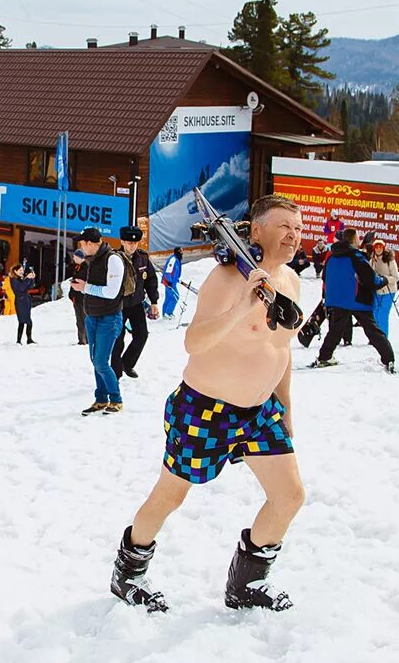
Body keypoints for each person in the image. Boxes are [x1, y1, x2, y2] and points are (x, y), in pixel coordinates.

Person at [109, 195, 306, 614]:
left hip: (260, 413)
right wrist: (242, 307)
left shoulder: (290, 282)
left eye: (299, 227)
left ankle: (247, 584)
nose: (294, 234)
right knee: (170, 497)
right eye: (284, 225)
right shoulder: (225, 279)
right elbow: (192, 342)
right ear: (255, 231)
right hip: (205, 409)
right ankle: (128, 574)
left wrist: (285, 408)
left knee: (289, 497)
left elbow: (281, 351)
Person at [312, 228, 395, 373]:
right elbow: (371, 279)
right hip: (356, 298)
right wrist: (384, 280)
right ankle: (389, 359)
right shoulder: (356, 256)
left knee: (335, 330)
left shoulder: (332, 256)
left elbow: (325, 277)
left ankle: (324, 357)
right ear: (355, 239)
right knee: (372, 330)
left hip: (336, 299)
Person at [71, 227, 126, 412]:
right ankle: (101, 399)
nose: (80, 247)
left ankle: (116, 399)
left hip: (109, 318)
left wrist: (85, 288)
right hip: (92, 317)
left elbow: (111, 292)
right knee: (96, 360)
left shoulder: (113, 259)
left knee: (101, 362)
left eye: (82, 243)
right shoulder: (92, 260)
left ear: (89, 243)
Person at [109, 226, 160, 379]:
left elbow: (151, 280)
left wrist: (154, 301)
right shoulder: (114, 259)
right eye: (129, 243)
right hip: (118, 306)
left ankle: (127, 363)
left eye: (136, 243)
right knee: (117, 341)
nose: (133, 246)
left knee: (142, 335)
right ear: (122, 241)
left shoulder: (143, 258)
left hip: (136, 303)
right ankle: (115, 374)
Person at [366, 234, 399, 337]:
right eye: (377, 247)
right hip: (377, 291)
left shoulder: (390, 260)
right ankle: (376, 337)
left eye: (380, 247)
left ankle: (384, 337)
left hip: (389, 290)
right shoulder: (372, 260)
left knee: (383, 315)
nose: (378, 249)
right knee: (375, 315)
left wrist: (384, 278)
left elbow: (395, 277)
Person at [9, 261, 36, 344]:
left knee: (25, 321)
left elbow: (29, 286)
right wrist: (27, 278)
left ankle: (25, 340)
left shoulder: (21, 278)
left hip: (25, 301)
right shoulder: (13, 279)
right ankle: (24, 340)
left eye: (22, 270)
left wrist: (32, 279)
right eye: (20, 270)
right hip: (20, 302)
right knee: (25, 321)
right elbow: (21, 288)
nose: (22, 272)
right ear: (15, 271)